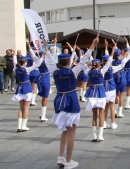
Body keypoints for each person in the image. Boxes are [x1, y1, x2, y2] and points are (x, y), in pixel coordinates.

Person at [44, 37, 97, 169]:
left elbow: (50, 60)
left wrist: (46, 48)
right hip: (71, 102)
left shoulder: (54, 72)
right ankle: (68, 160)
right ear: (69, 61)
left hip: (59, 101)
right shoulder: (73, 71)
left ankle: (61, 156)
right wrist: (92, 45)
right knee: (72, 132)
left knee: (64, 131)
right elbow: (84, 59)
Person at [84, 43, 117, 142]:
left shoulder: (89, 71)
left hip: (92, 94)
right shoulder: (101, 71)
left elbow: (84, 64)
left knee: (94, 115)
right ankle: (100, 135)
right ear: (99, 64)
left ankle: (93, 135)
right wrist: (112, 51)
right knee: (101, 114)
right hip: (101, 93)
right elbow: (108, 63)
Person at [12, 49, 45, 132]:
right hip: (26, 88)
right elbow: (36, 65)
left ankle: (19, 126)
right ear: (25, 63)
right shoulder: (26, 69)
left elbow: (14, 63)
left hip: (19, 88)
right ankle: (24, 126)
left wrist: (14, 55)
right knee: (26, 108)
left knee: (20, 108)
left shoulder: (16, 69)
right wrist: (41, 57)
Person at [104, 39, 130, 129]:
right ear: (119, 54)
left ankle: (115, 111)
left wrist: (107, 47)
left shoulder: (111, 62)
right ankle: (119, 112)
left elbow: (108, 56)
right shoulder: (122, 61)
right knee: (121, 96)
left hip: (114, 80)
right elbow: (129, 54)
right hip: (122, 79)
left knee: (115, 96)